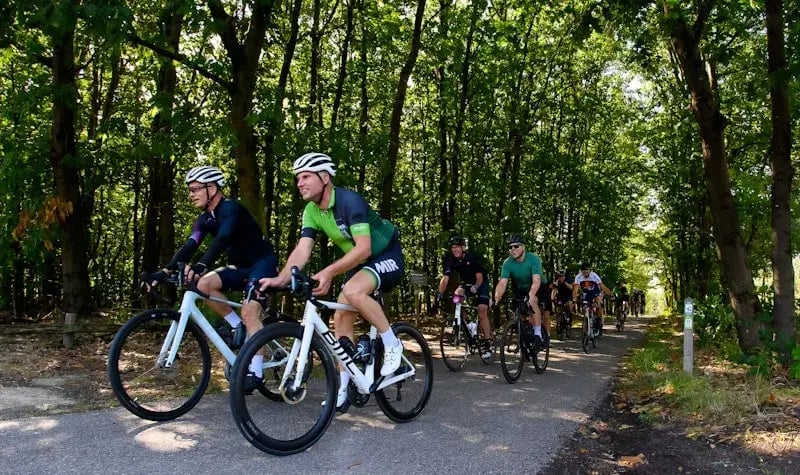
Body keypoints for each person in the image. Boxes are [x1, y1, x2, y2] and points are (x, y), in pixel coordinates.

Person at [259, 152, 405, 410]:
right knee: (341, 316)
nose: (299, 183)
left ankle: (393, 344)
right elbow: (303, 249)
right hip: (359, 261)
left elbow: (364, 248)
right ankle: (344, 386)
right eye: (298, 178)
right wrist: (280, 279)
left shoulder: (350, 201)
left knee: (354, 291)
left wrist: (328, 272)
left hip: (385, 253)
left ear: (324, 178)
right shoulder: (311, 211)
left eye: (306, 177)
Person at [144, 165, 279, 393]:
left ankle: (256, 373)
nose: (191, 194)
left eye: (196, 189)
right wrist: (164, 272)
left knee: (249, 312)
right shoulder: (205, 219)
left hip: (263, 264)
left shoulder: (231, 208)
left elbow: (223, 238)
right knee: (202, 284)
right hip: (240, 267)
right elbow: (190, 245)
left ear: (212, 188)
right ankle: (236, 326)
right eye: (190, 190)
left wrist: (200, 265)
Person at [436, 235, 492, 359]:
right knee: (457, 295)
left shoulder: (471, 257)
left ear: (463, 248)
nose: (455, 249)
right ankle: (466, 323)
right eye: (453, 247)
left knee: (482, 309)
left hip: (481, 283)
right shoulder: (450, 259)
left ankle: (488, 343)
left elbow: (479, 277)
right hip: (466, 283)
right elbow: (445, 278)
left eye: (457, 247)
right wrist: (440, 293)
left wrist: (476, 287)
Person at [492, 234, 546, 348]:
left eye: (516, 246)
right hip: (521, 287)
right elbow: (502, 283)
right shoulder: (507, 263)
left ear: (523, 247)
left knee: (532, 301)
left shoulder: (533, 259)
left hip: (538, 285)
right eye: (510, 247)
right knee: (519, 310)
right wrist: (496, 297)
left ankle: (538, 334)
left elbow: (536, 280)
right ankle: (524, 334)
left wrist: (531, 295)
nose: (513, 249)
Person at [571, 262, 612, 335]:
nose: (585, 274)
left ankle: (598, 321)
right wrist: (574, 299)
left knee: (598, 303)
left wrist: (610, 293)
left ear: (590, 270)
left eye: (586, 272)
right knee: (585, 305)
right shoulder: (578, 277)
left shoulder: (594, 276)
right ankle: (587, 319)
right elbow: (575, 289)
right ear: (581, 271)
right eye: (583, 272)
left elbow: (602, 286)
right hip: (586, 293)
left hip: (595, 291)